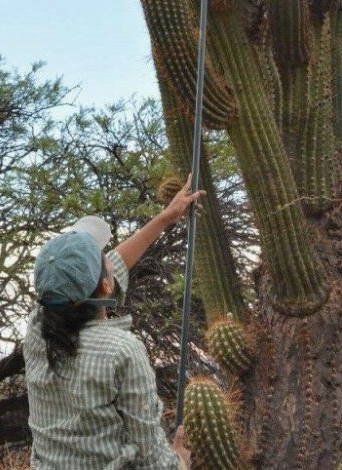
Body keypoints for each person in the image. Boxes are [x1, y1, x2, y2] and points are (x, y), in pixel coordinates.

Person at [24, 175, 204, 469]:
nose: (110, 258)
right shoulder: (121, 351)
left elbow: (109, 266)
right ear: (107, 286)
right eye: (103, 260)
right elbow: (153, 455)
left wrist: (164, 218)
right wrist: (180, 463)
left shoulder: (36, 329)